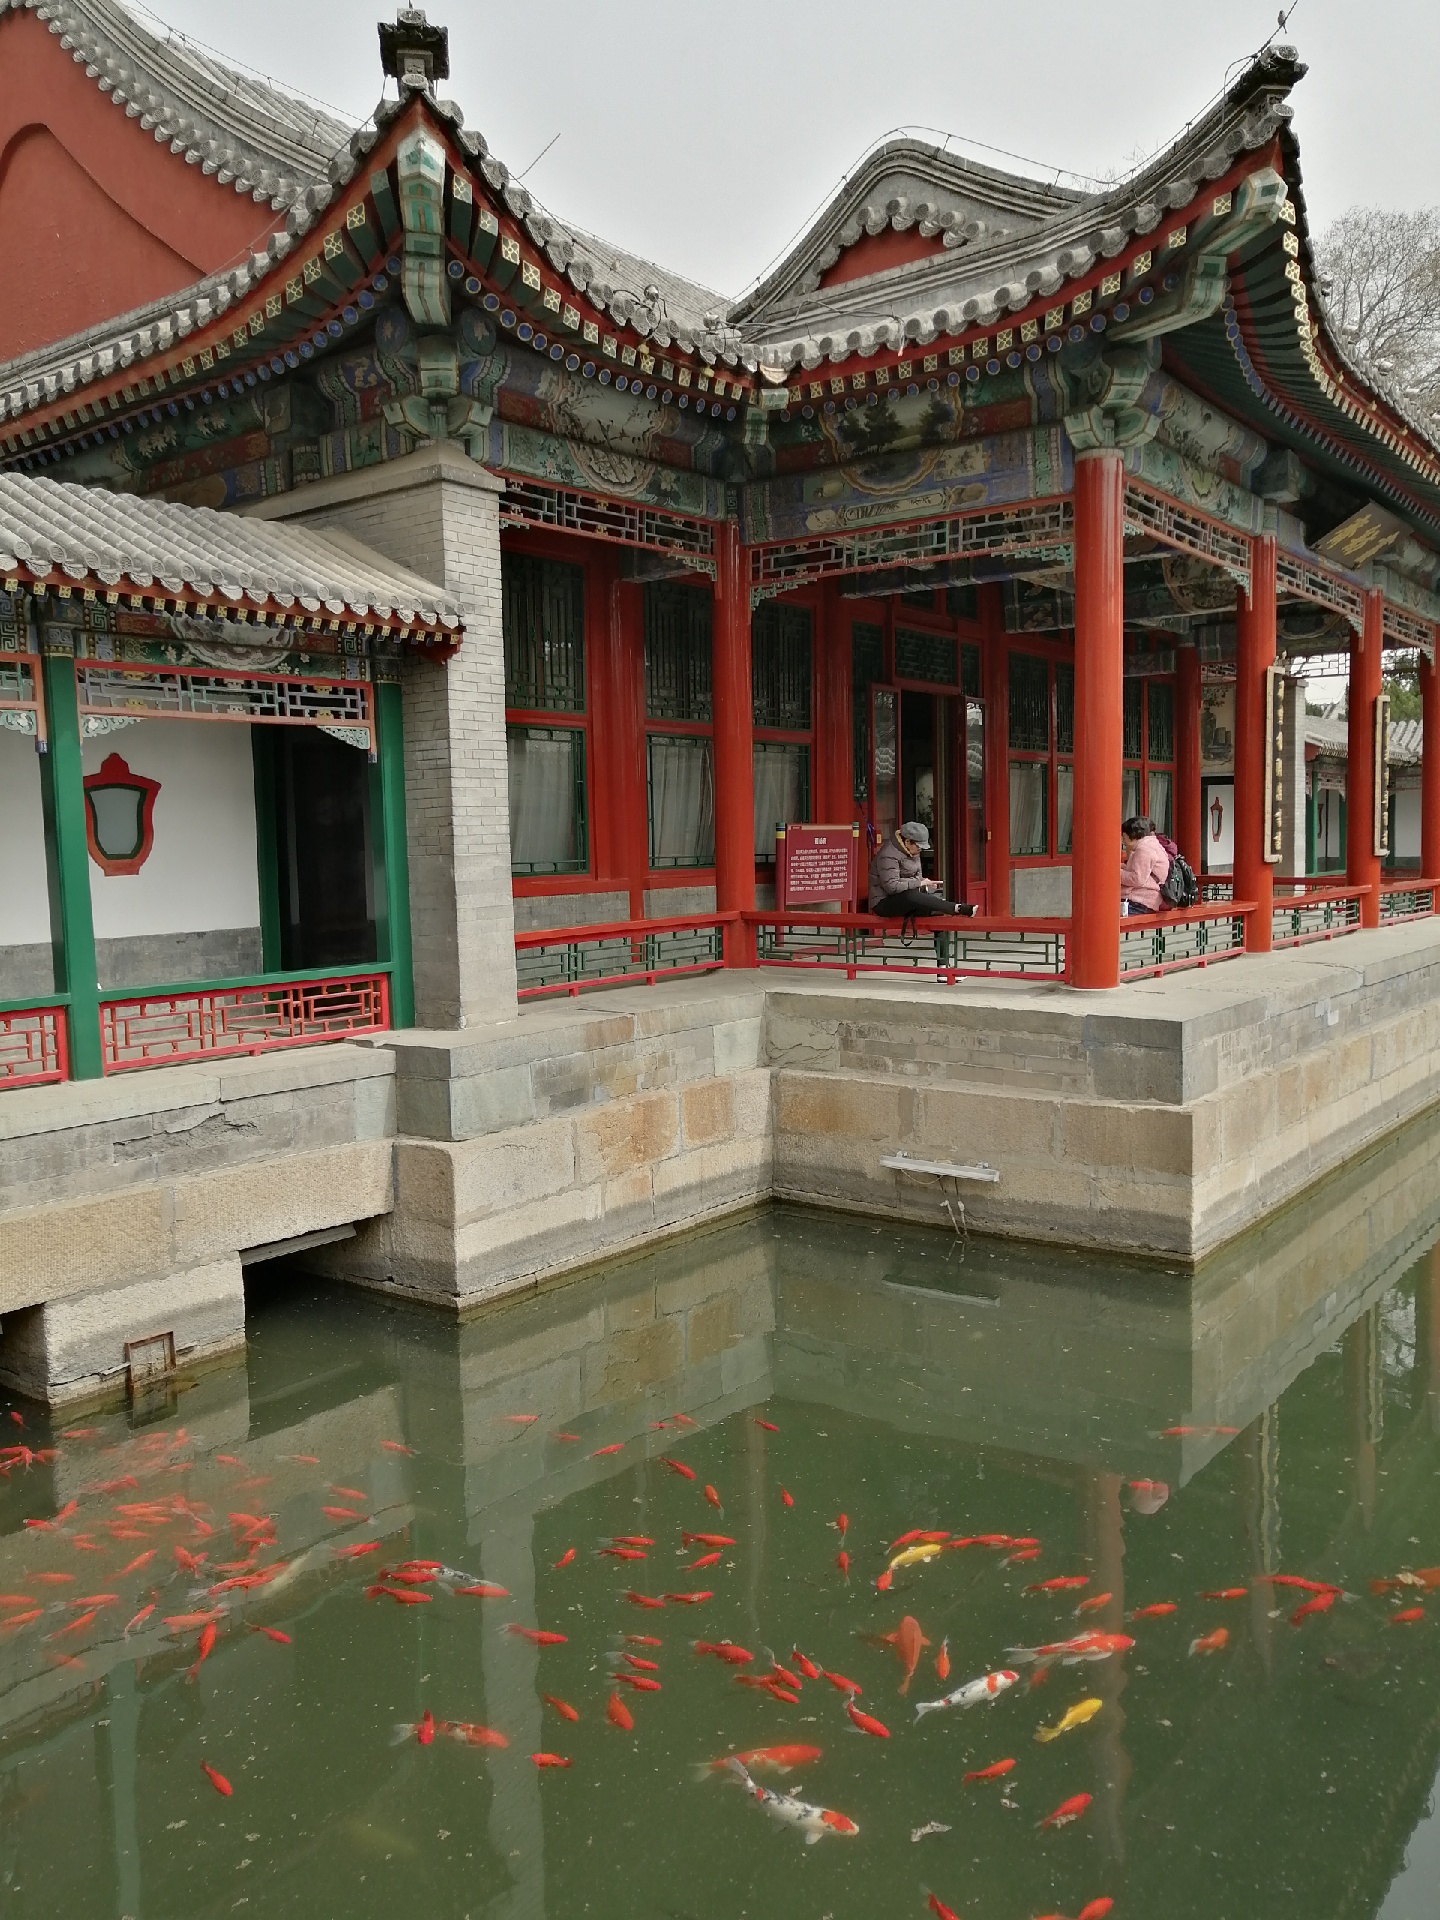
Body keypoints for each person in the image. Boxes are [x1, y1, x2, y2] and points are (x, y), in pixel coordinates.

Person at [868, 820, 975, 963]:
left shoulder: (913, 851)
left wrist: (925, 885)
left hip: (909, 897)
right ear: (907, 842)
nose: (919, 851)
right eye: (918, 847)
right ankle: (956, 908)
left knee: (938, 912)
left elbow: (917, 877)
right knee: (911, 895)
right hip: (884, 902)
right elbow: (891, 886)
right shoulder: (888, 854)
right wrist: (919, 883)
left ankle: (943, 966)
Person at [1120, 815, 1171, 916]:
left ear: (1129, 835)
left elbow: (1137, 878)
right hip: (1146, 901)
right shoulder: (1153, 845)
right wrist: (1122, 867)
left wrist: (1115, 873)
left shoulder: (1144, 849)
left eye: (1123, 836)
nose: (1123, 841)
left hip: (1139, 901)